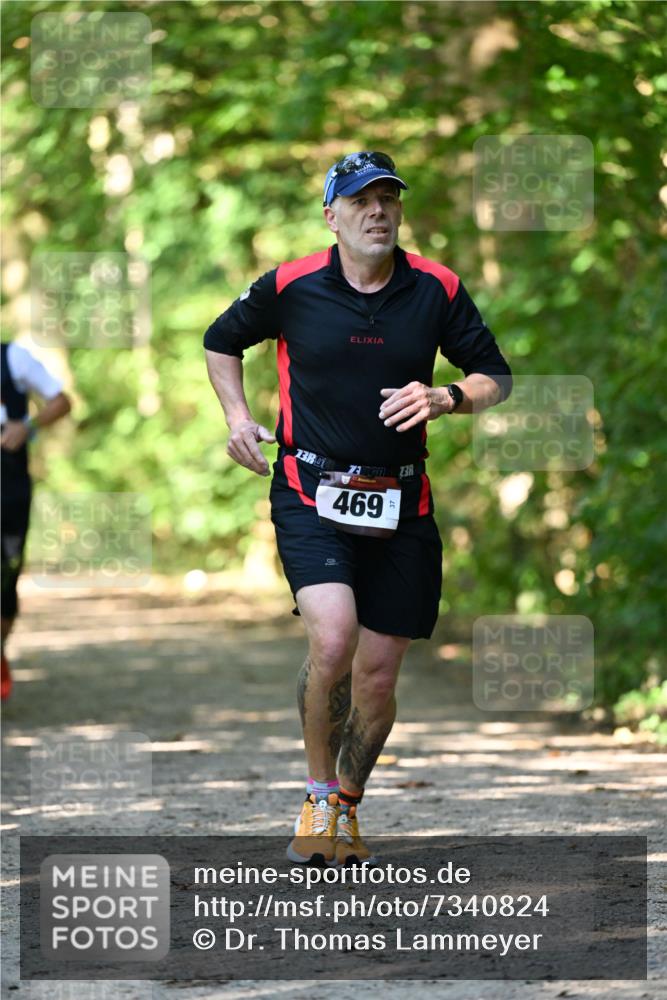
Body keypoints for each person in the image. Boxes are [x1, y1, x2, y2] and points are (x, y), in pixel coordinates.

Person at [204, 151, 512, 866]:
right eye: (360, 200)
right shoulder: (290, 284)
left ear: (400, 211)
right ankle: (315, 798)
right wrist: (238, 418)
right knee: (334, 638)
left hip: (403, 498)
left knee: (376, 677)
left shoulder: (435, 288)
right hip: (310, 490)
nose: (377, 211)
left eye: (388, 199)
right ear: (331, 215)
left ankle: (345, 803)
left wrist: (449, 397)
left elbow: (493, 375)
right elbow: (222, 342)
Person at [1, 340, 71, 700]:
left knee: (5, 578)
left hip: (8, 487)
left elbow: (61, 401)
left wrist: (25, 427)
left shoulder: (12, 357)